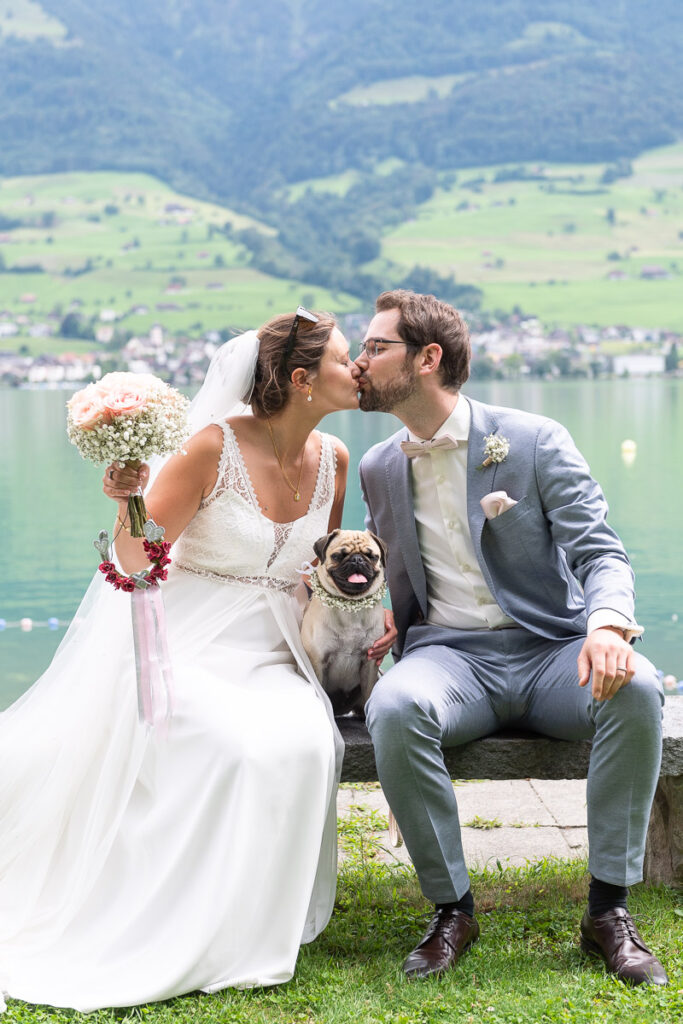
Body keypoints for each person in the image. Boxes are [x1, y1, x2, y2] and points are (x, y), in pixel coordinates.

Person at [0, 310, 395, 1013]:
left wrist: (373, 615)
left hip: (280, 652)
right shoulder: (210, 447)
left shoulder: (334, 459)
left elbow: (318, 573)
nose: (358, 367)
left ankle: (251, 917)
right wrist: (129, 499)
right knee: (235, 747)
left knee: (305, 744)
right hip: (191, 641)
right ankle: (183, 920)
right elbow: (135, 562)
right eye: (344, 358)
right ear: (301, 379)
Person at [355, 289, 667, 986]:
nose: (359, 360)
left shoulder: (532, 440)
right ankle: (452, 910)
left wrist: (606, 626)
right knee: (395, 707)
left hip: (551, 651)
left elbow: (601, 553)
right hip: (448, 660)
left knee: (638, 687)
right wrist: (380, 613)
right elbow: (388, 564)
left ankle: (607, 912)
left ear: (427, 359)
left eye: (375, 347)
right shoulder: (378, 465)